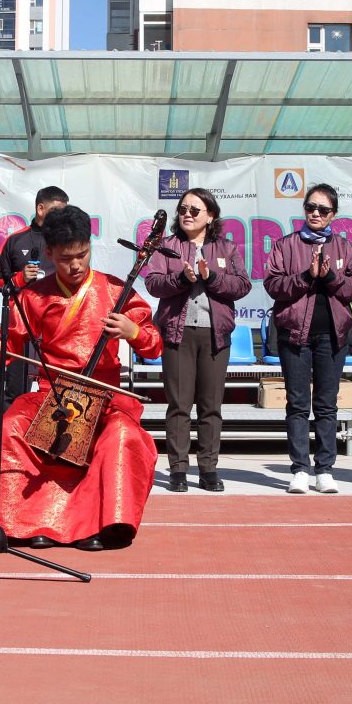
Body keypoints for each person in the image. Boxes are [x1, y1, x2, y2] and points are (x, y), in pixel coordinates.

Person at [0, 205, 163, 550]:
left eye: (82, 255)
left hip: (106, 396)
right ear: (50, 252)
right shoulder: (34, 296)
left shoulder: (116, 291)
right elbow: (6, 348)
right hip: (50, 393)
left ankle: (106, 525)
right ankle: (29, 522)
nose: (76, 265)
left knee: (123, 436)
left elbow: (154, 345)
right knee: (8, 433)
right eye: (66, 258)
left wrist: (133, 331)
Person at [144, 188, 252, 493]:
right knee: (179, 405)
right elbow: (153, 283)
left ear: (211, 215)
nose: (187, 215)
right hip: (177, 334)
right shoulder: (167, 246)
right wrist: (183, 279)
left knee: (210, 406)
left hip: (215, 334)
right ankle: (178, 469)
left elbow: (242, 285)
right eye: (183, 209)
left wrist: (211, 278)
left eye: (194, 210)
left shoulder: (226, 248)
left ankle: (208, 469)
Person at [264, 184, 352, 495]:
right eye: (311, 207)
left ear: (333, 214)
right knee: (297, 404)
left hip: (333, 336)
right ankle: (299, 469)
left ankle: (324, 469)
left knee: (326, 405)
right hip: (294, 335)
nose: (316, 214)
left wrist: (331, 277)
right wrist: (307, 276)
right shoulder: (286, 245)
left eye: (323, 209)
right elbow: (273, 285)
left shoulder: (345, 247)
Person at [0, 185, 69, 405]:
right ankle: (11, 428)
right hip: (21, 326)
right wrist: (20, 278)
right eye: (57, 211)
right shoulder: (16, 240)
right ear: (40, 209)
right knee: (15, 392)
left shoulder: (67, 242)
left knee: (58, 392)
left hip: (56, 327)